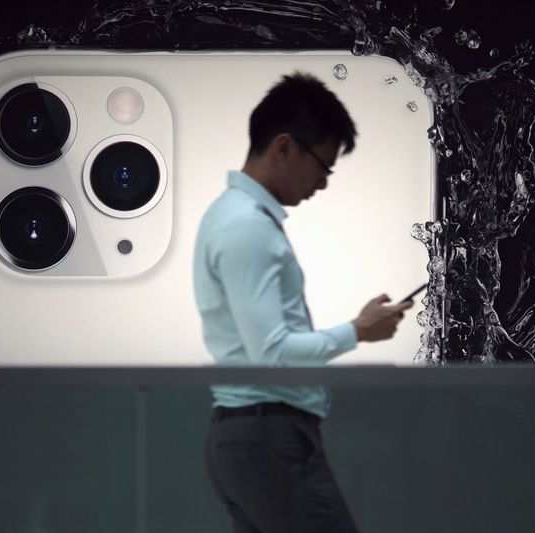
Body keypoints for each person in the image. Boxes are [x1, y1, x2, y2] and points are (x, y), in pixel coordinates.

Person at [193, 72, 414, 533]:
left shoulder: (232, 218)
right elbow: (272, 355)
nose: (324, 182)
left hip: (250, 437)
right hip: (266, 439)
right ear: (284, 147)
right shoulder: (247, 228)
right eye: (323, 166)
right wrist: (359, 330)